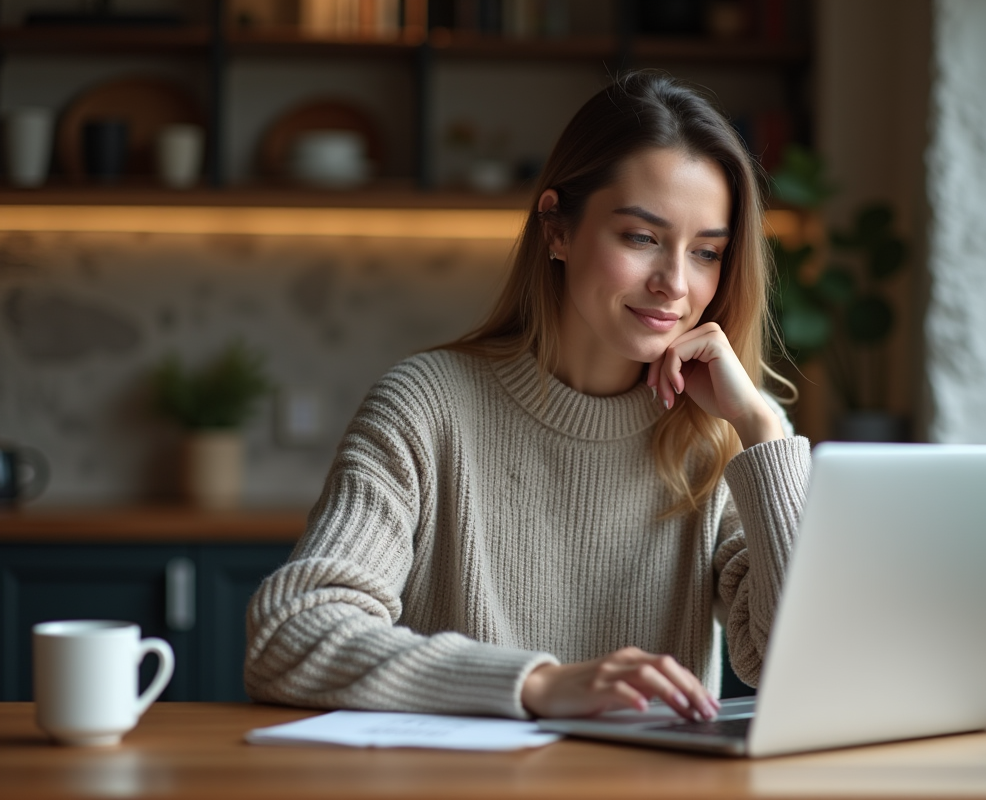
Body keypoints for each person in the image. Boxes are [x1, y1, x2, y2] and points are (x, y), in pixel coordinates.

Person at [245, 71, 812, 723]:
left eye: (707, 252)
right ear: (557, 230)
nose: (674, 284)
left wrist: (764, 431)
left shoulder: (727, 435)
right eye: (641, 238)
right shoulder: (425, 408)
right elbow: (288, 637)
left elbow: (794, 663)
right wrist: (536, 685)